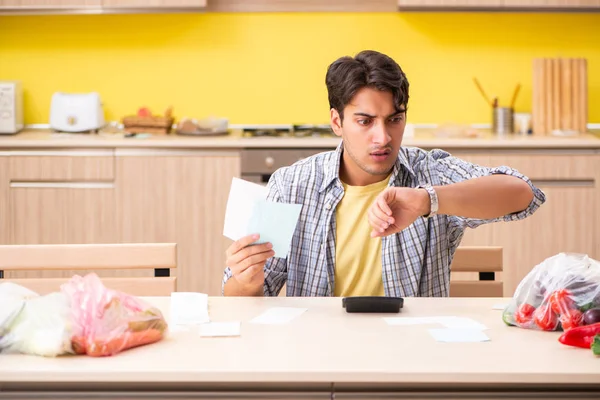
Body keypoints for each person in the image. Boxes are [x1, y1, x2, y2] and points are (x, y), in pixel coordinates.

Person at [222, 50, 546, 298]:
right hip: (316, 356)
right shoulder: (291, 185)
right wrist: (246, 281)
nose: (383, 137)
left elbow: (523, 193)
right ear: (337, 122)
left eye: (394, 119)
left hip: (411, 360)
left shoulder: (427, 172)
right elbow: (240, 297)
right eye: (365, 121)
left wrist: (427, 200)